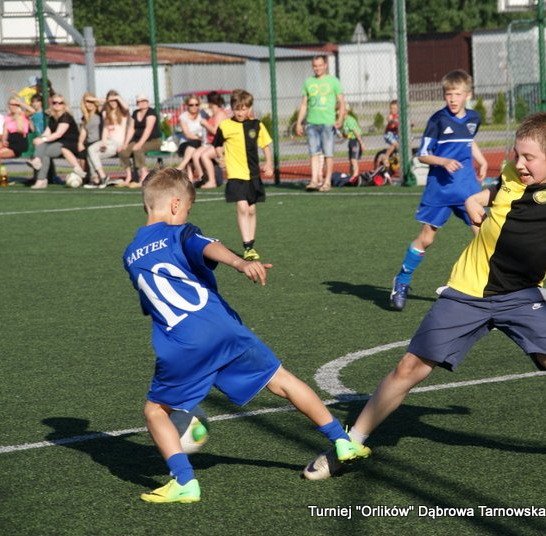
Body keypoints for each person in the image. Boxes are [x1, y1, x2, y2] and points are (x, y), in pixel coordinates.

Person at [303, 112, 546, 482]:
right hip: (467, 292)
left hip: (521, 297)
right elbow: (494, 191)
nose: (519, 163)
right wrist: (475, 199)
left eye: (529, 157)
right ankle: (349, 444)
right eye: (517, 154)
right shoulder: (512, 173)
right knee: (408, 368)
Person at [123, 167, 369, 503]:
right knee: (281, 380)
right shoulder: (178, 233)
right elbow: (206, 245)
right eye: (188, 211)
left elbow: (152, 305)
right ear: (176, 204)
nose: (187, 218)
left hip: (183, 342)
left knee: (155, 411)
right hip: (223, 327)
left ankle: (184, 482)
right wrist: (240, 263)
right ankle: (342, 440)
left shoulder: (130, 254)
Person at [389, 69, 488, 311]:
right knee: (427, 238)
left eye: (457, 94)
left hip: (467, 188)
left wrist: (482, 160)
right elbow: (423, 154)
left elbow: (468, 140)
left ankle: (487, 290)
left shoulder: (474, 118)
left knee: (484, 236)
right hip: (440, 189)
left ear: (468, 95)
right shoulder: (437, 120)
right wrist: (443, 161)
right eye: (448, 94)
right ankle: (402, 280)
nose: (452, 99)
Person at [213, 90, 273, 262]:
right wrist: (220, 157)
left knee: (252, 210)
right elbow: (217, 144)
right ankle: (247, 246)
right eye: (236, 109)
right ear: (231, 108)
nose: (240, 112)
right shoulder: (225, 126)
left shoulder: (257, 125)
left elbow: (266, 146)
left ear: (249, 108)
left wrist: (269, 164)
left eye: (244, 109)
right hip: (235, 174)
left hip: (253, 175)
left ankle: (251, 244)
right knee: (242, 207)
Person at [294, 55, 346, 192]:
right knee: (314, 153)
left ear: (325, 65)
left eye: (320, 65)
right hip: (311, 123)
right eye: (315, 66)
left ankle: (327, 182)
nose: (317, 68)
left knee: (328, 154)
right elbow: (304, 104)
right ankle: (314, 180)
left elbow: (341, 102)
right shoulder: (308, 82)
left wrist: (340, 118)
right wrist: (299, 123)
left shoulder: (333, 81)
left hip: (327, 124)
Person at [27, 94, 84, 189]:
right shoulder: (52, 118)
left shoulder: (66, 116)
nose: (57, 104)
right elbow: (47, 133)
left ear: (64, 105)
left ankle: (39, 169)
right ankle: (41, 179)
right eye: (54, 103)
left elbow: (58, 134)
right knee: (43, 147)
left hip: (70, 143)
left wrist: (43, 139)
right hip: (58, 143)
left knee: (45, 150)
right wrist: (39, 139)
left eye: (60, 103)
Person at [86, 91, 130, 188]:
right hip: (108, 141)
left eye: (115, 100)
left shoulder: (123, 112)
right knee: (91, 153)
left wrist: (116, 97)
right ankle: (96, 179)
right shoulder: (106, 113)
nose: (113, 102)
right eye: (111, 101)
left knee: (91, 151)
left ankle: (102, 177)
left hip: (117, 143)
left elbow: (126, 107)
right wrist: (103, 142)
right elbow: (106, 129)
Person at [118, 94, 162, 187]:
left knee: (138, 149)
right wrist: (125, 144)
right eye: (140, 101)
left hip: (153, 141)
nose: (143, 103)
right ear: (137, 103)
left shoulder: (151, 113)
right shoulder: (135, 113)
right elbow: (131, 129)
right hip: (137, 140)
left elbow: (148, 130)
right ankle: (129, 177)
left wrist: (139, 144)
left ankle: (144, 176)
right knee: (123, 151)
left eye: (145, 101)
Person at [0, 97, 30, 183]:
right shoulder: (7, 117)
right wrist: (3, 140)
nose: (12, 106)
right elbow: (5, 132)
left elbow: (32, 111)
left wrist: (21, 103)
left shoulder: (23, 114)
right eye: (11, 104)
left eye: (15, 104)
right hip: (10, 140)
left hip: (19, 142)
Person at [192, 92, 229, 188]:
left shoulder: (220, 114)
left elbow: (216, 132)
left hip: (221, 144)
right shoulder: (213, 114)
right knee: (195, 155)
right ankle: (203, 178)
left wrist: (205, 124)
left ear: (211, 102)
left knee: (205, 155)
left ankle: (212, 181)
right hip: (212, 143)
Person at [175, 95, 207, 181]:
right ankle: (184, 167)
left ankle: (187, 175)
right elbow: (187, 134)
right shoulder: (183, 117)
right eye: (191, 105)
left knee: (194, 149)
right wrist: (199, 138)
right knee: (195, 143)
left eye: (196, 104)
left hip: (199, 143)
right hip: (185, 143)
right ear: (187, 105)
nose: (194, 107)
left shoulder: (202, 115)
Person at [77, 92, 103, 184]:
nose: (89, 104)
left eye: (91, 102)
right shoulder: (85, 117)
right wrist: (80, 143)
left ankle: (95, 176)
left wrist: (94, 100)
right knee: (81, 154)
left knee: (90, 151)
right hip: (89, 142)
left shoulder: (99, 112)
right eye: (87, 102)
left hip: (100, 141)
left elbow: (106, 102)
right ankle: (85, 177)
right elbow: (83, 132)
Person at [341, 106, 366, 182]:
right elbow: (347, 134)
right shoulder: (344, 121)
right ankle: (351, 175)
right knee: (351, 159)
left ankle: (355, 175)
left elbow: (356, 132)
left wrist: (362, 144)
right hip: (351, 140)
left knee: (353, 159)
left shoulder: (350, 120)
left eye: (340, 110)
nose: (338, 112)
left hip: (356, 140)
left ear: (345, 111)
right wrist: (343, 135)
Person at [381, 99, 400, 169]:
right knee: (394, 144)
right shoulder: (391, 116)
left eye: (395, 108)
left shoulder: (399, 116)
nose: (393, 110)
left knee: (400, 146)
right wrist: (392, 121)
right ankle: (385, 157)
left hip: (397, 135)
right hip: (389, 134)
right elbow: (389, 120)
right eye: (391, 108)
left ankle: (395, 158)